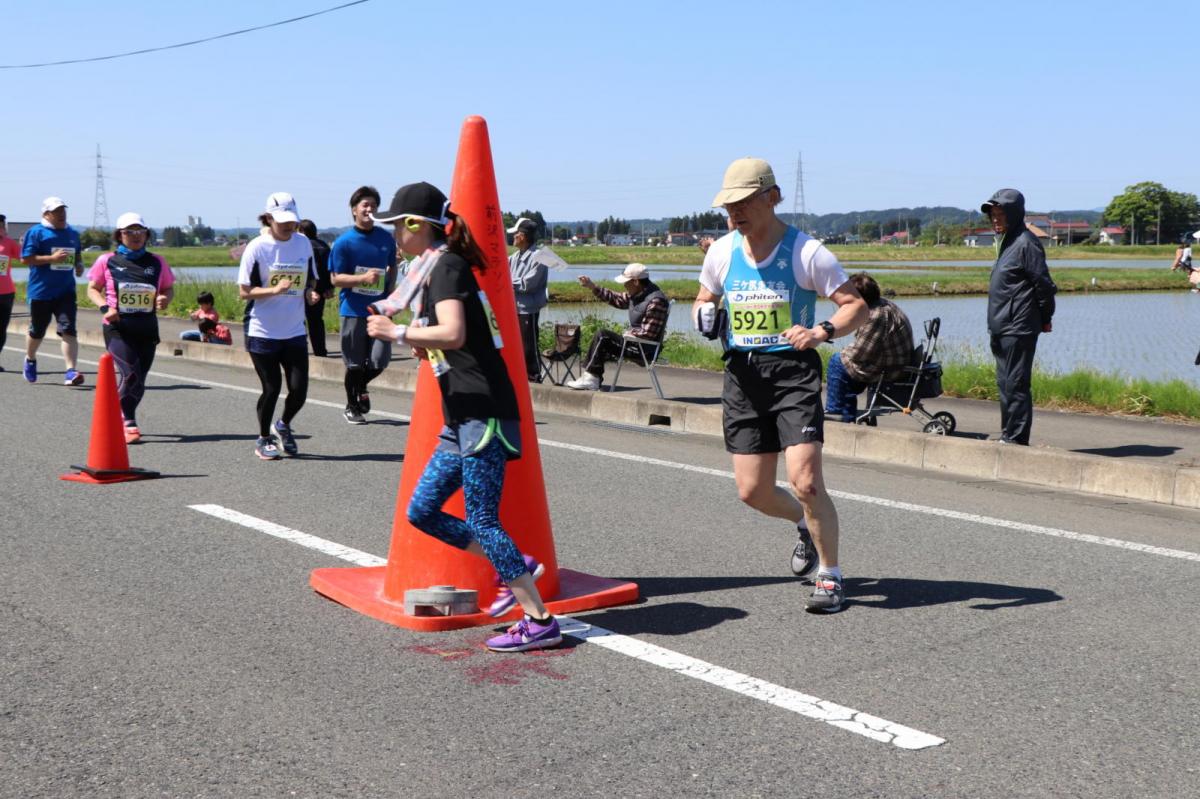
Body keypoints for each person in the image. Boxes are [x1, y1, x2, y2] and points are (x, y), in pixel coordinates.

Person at [365, 181, 560, 653]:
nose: (392, 233)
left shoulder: (446, 266)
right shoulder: (430, 270)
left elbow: (452, 332)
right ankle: (513, 563)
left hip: (484, 412)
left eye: (396, 225)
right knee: (423, 511)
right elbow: (455, 340)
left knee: (483, 519)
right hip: (462, 415)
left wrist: (398, 331)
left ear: (416, 226)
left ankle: (539, 620)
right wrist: (416, 339)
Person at [693, 157, 867, 614]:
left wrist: (821, 332)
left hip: (792, 373)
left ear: (771, 197)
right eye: (728, 205)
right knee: (752, 491)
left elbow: (856, 307)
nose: (735, 213)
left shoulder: (807, 252)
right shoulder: (721, 252)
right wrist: (702, 313)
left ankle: (829, 576)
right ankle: (801, 526)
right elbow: (704, 296)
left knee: (806, 481)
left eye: (744, 201)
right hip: (743, 376)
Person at [237, 192, 320, 460]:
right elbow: (244, 291)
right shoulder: (257, 247)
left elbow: (311, 280)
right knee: (271, 387)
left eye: (292, 221)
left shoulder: (304, 243)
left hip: (294, 330)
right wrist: (274, 289)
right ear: (269, 218)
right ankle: (263, 437)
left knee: (299, 390)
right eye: (282, 221)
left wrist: (310, 292)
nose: (288, 226)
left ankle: (283, 425)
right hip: (262, 330)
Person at [85, 213, 175, 443]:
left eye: (139, 231)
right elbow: (92, 289)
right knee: (130, 373)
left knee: (139, 380)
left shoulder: (157, 262)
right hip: (117, 327)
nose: (135, 236)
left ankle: (119, 414)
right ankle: (128, 421)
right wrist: (106, 308)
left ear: (146, 234)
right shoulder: (107, 260)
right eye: (129, 232)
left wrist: (165, 299)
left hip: (146, 328)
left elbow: (167, 288)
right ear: (119, 235)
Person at [981, 188, 1057, 446]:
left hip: (1018, 325)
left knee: (1015, 384)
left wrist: (1045, 317)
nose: (995, 219)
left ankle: (1015, 439)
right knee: (1005, 384)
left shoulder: (1026, 242)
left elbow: (1044, 285)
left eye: (1000, 213)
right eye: (992, 214)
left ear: (1014, 214)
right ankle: (1008, 435)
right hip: (1002, 325)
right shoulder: (1008, 242)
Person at [329, 186, 398, 424]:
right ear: (354, 210)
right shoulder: (343, 243)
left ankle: (361, 388)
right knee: (355, 363)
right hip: (353, 310)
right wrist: (361, 279)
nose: (369, 209)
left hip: (379, 309)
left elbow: (393, 265)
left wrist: (390, 289)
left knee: (380, 360)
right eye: (365, 205)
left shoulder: (386, 238)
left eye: (373, 206)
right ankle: (351, 406)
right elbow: (336, 278)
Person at [824, 272, 915, 423]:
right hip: (895, 363)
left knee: (837, 362)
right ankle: (847, 413)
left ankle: (838, 413)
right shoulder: (883, 304)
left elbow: (860, 354)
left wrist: (843, 352)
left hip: (890, 369)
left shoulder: (875, 316)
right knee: (844, 363)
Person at [564, 263, 669, 390]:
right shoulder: (637, 294)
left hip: (644, 350)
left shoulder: (656, 301)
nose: (624, 285)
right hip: (635, 343)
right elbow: (616, 299)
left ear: (635, 282)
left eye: (626, 282)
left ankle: (591, 378)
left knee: (603, 336)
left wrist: (629, 334)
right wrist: (592, 286)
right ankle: (590, 377)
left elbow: (648, 334)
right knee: (602, 338)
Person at [20, 196, 84, 385]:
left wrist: (79, 265)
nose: (61, 214)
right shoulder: (36, 232)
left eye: (63, 210)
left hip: (65, 291)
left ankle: (71, 371)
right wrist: (51, 259)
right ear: (46, 214)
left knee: (69, 330)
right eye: (56, 211)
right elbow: (26, 259)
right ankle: (30, 359)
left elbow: (77, 253)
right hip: (41, 291)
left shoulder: (72, 232)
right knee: (37, 331)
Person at [507, 217, 549, 382]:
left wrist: (507, 283)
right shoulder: (515, 256)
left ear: (523, 236)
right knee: (514, 345)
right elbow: (501, 271)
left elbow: (528, 284)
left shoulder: (540, 256)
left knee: (528, 345)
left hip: (528, 308)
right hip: (514, 307)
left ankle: (534, 376)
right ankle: (519, 376)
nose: (513, 237)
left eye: (515, 234)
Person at [298, 219, 334, 356]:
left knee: (300, 320)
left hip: (303, 287)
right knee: (316, 320)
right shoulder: (324, 246)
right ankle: (320, 350)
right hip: (320, 290)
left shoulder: (302, 246)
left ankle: (301, 348)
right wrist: (329, 287)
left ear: (302, 232)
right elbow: (330, 269)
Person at [0, 214, 18, 372]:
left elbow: (24, 257)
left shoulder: (9, 243)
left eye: (2, 225)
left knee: (2, 328)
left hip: (6, 292)